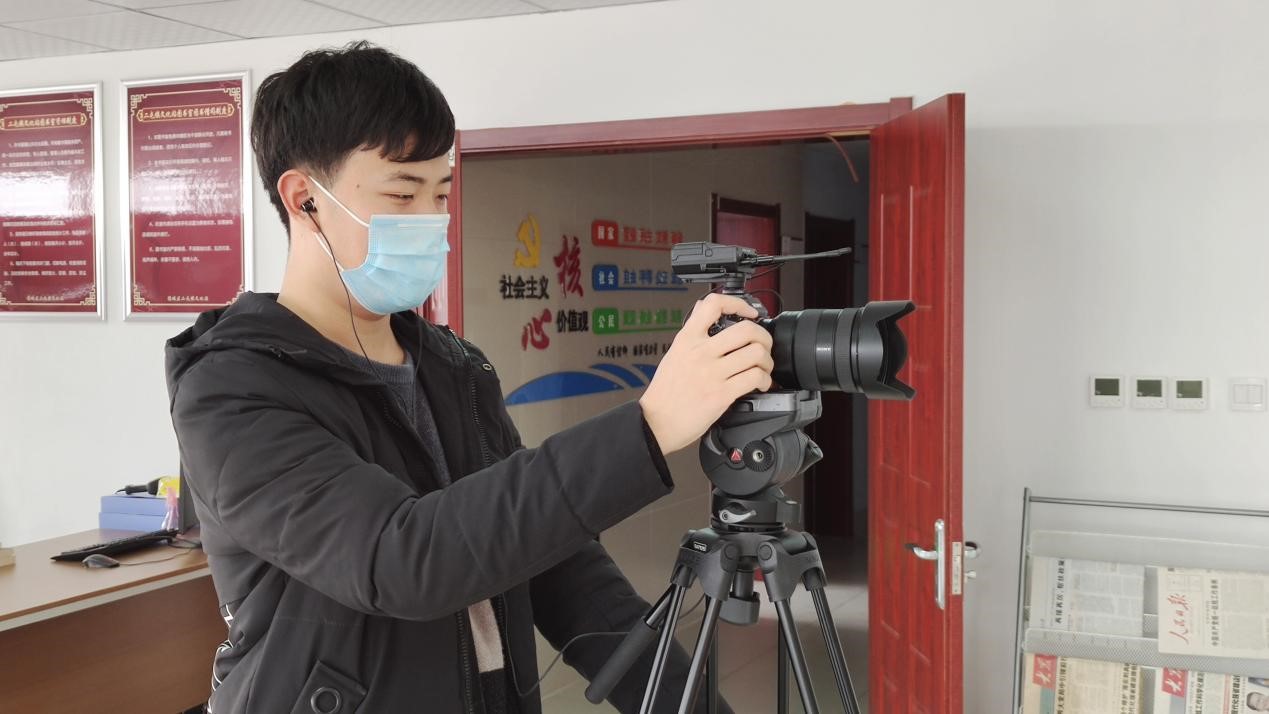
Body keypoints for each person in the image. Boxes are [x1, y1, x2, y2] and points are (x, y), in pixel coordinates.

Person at [165, 41, 771, 713]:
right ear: (305, 198)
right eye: (402, 193)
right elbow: (402, 559)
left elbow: (560, 571)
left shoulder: (453, 367)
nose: (430, 220)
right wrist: (648, 428)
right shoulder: (231, 390)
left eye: (441, 192)